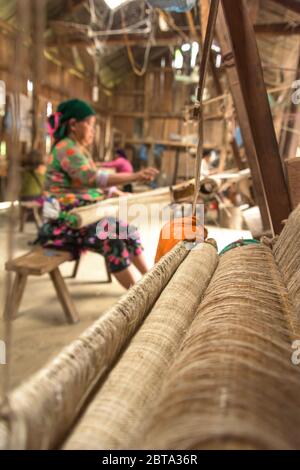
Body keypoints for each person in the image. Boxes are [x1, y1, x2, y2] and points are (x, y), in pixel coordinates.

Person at [39, 99, 158, 289]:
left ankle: (154, 281)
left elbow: (87, 185)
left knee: (128, 231)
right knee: (113, 239)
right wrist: (134, 176)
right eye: (89, 124)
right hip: (64, 222)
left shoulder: (79, 150)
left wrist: (114, 192)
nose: (93, 130)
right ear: (73, 125)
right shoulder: (66, 148)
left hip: (82, 216)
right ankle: (140, 295)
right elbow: (90, 178)